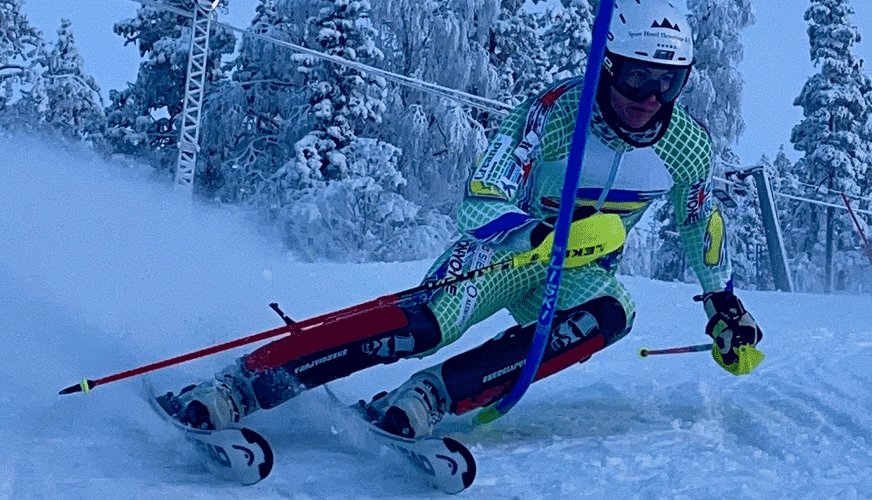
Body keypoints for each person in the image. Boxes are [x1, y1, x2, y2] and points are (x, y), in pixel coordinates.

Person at [157, 0, 764, 438]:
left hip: (578, 274)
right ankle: (243, 383)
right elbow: (482, 193)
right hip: (510, 251)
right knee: (428, 321)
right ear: (607, 65)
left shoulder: (685, 145)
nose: (649, 98)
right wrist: (536, 235)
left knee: (614, 311)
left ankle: (436, 395)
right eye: (637, 75)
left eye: (668, 82)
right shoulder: (554, 114)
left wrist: (722, 303)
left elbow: (699, 222)